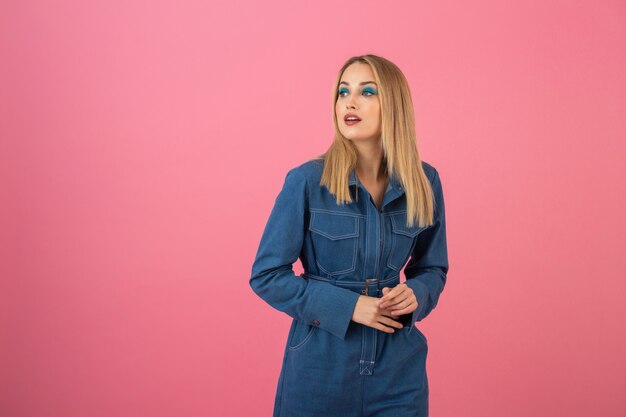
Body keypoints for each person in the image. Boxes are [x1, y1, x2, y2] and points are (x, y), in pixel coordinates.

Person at [249, 54, 449, 417]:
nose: (350, 102)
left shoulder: (424, 181)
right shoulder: (307, 181)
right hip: (320, 370)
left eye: (367, 92)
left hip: (399, 374)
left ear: (394, 104)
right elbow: (267, 276)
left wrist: (416, 294)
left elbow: (433, 268)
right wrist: (349, 307)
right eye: (343, 92)